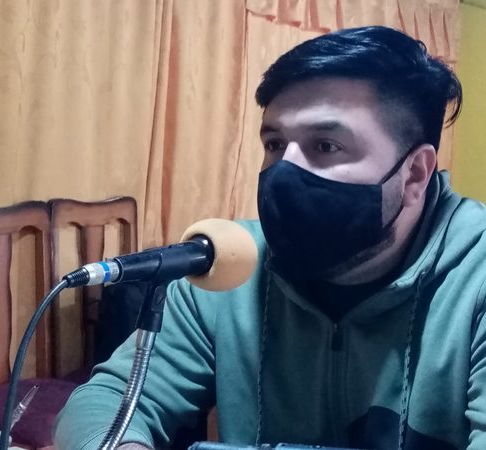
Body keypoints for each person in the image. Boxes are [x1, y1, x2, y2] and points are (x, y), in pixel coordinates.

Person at [54, 25, 486, 450]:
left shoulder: (475, 278)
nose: (285, 171)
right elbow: (107, 400)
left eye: (326, 146)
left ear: (414, 174)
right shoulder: (228, 268)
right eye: (275, 144)